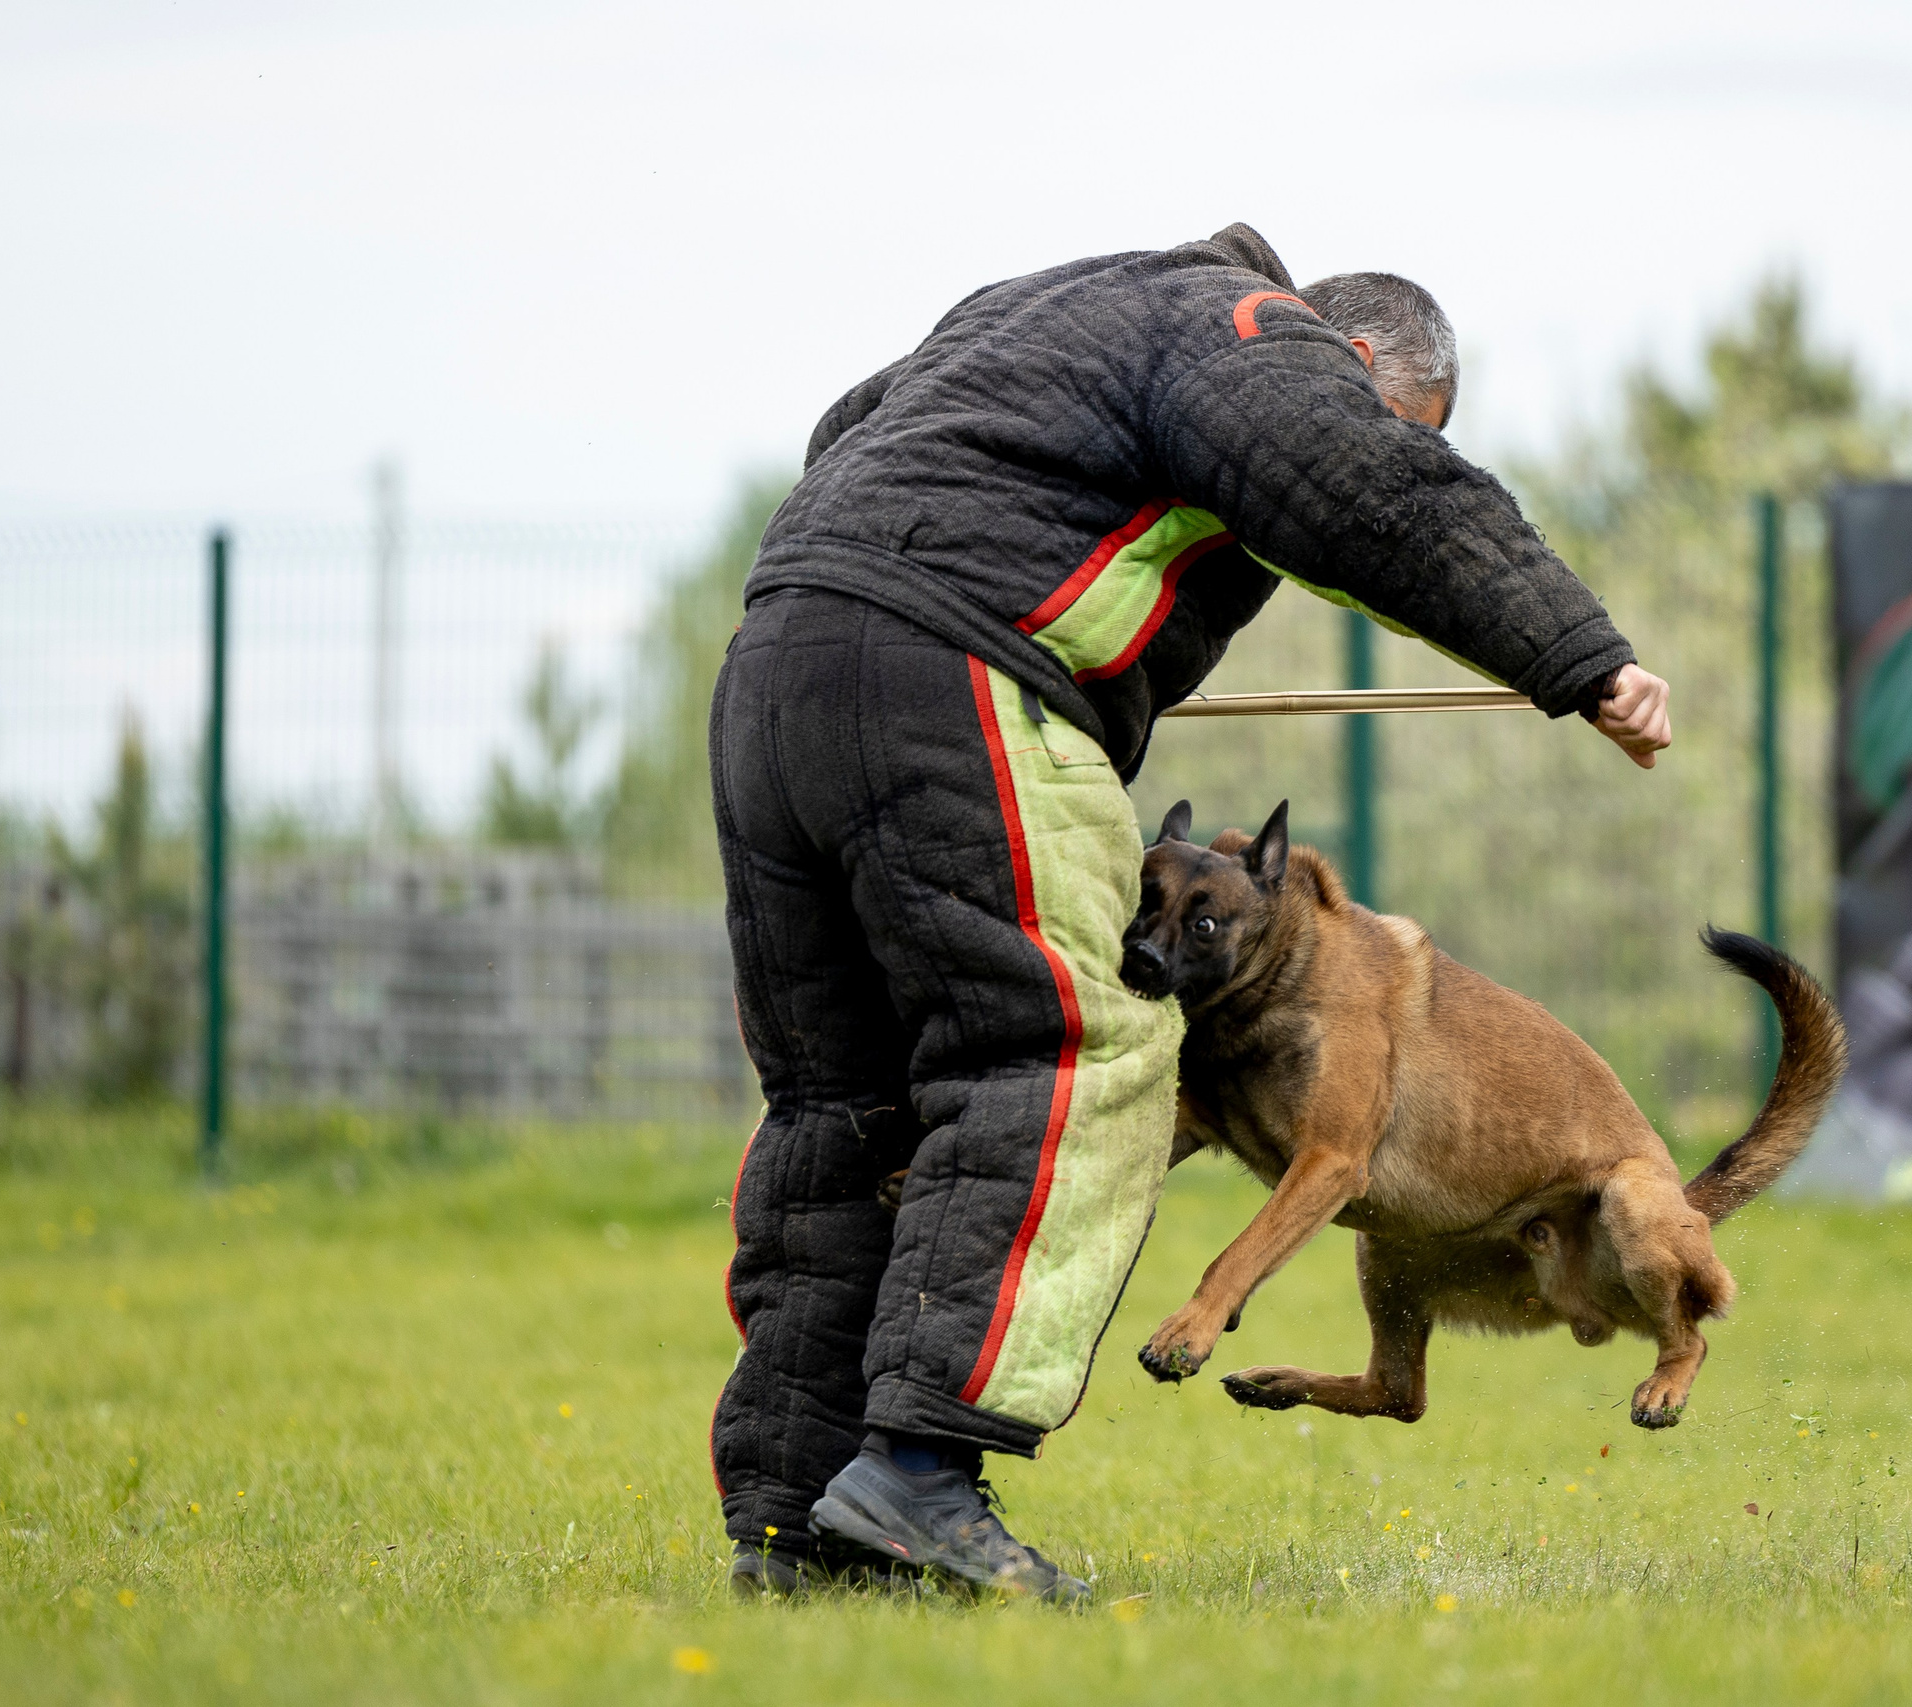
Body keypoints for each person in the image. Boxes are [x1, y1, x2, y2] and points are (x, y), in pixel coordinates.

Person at [708, 223, 1671, 1601]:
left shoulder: (1057, 304)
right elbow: (1368, 494)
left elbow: (848, 433)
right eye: (1401, 419)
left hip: (774, 673)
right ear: (1357, 358)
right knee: (1067, 1056)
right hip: (952, 685)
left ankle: (795, 1524)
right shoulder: (1257, 335)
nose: (1385, 439)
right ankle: (917, 1474)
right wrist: (1583, 659)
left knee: (847, 1103)